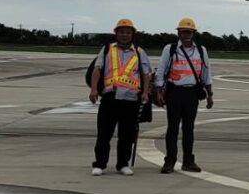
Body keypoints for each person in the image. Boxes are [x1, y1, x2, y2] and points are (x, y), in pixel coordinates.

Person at [89, 18, 152, 176]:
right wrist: (94, 89)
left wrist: (145, 92)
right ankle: (100, 164)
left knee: (127, 135)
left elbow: (146, 73)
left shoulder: (139, 52)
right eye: (122, 32)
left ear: (132, 34)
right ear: (116, 33)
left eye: (128, 32)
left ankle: (123, 164)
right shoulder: (107, 49)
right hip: (110, 97)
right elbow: (97, 69)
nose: (125, 35)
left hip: (131, 99)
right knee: (104, 133)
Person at [154, 16, 213, 173]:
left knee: (189, 129)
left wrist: (210, 94)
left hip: (192, 93)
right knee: (172, 128)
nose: (186, 34)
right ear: (179, 33)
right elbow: (161, 71)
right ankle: (170, 161)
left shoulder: (201, 51)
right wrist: (159, 91)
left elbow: (206, 73)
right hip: (174, 93)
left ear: (193, 33)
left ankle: (188, 161)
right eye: (183, 31)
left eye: (189, 32)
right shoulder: (170, 49)